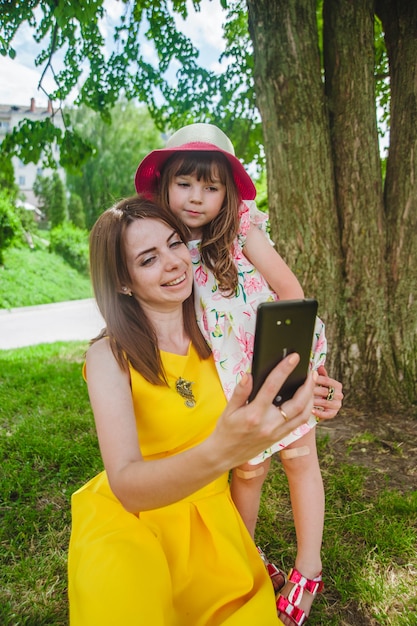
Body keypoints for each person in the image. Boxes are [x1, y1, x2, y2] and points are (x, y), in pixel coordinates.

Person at [67, 196, 321, 625]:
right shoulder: (109, 357)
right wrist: (224, 450)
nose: (173, 263)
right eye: (148, 259)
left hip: (213, 527)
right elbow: (127, 484)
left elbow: (275, 388)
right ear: (122, 282)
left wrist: (316, 390)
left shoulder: (223, 336)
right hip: (132, 524)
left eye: (175, 244)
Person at [134, 124, 343, 625]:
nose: (197, 197)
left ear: (228, 194)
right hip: (230, 378)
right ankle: (241, 560)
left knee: (299, 457)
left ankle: (307, 568)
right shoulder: (167, 242)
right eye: (186, 183)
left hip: (277, 357)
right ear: (165, 184)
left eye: (212, 186)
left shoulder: (242, 228)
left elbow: (288, 286)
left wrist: (309, 365)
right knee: (247, 471)